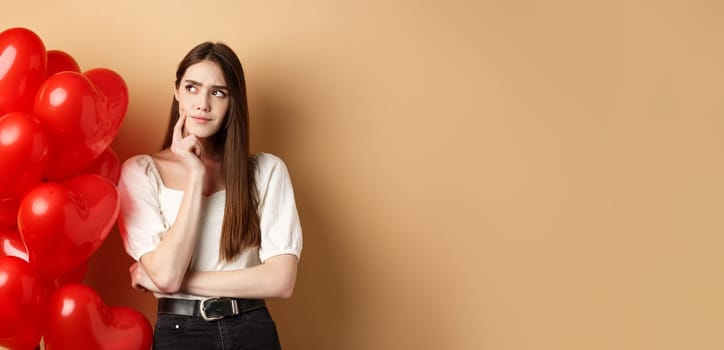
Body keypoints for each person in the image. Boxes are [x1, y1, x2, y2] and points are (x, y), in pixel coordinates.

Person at [117, 41, 302, 349]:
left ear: (233, 102)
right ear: (176, 92)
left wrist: (178, 283)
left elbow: (281, 281)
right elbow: (166, 274)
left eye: (218, 92)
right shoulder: (141, 172)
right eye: (192, 88)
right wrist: (195, 175)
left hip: (251, 329)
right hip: (181, 332)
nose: (202, 103)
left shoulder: (265, 171)